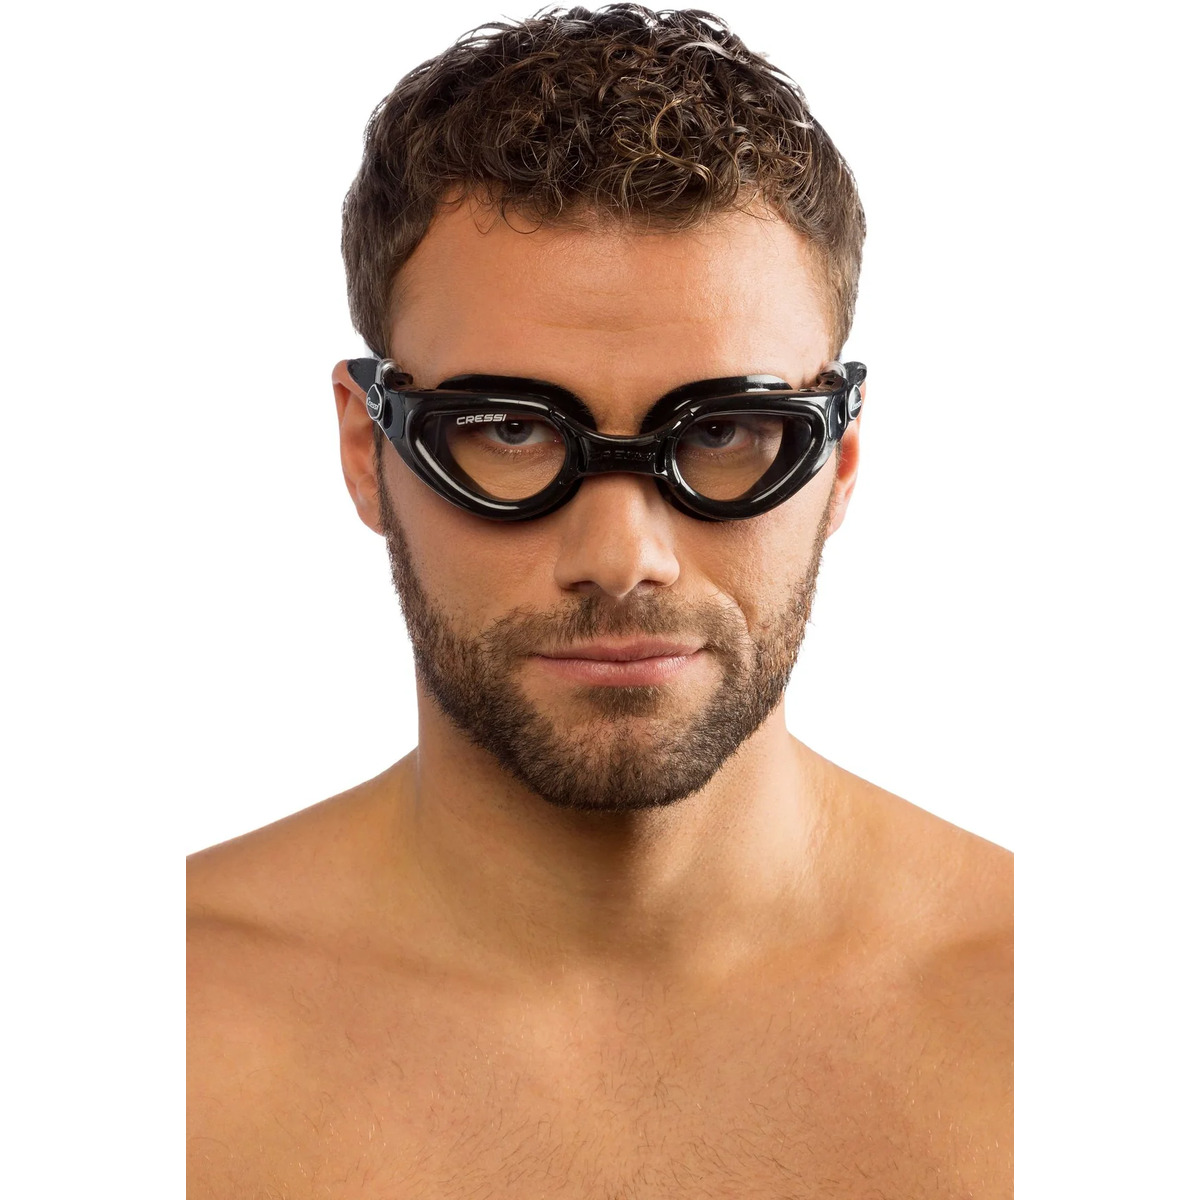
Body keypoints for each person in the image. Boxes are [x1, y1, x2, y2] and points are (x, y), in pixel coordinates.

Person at [187, 4, 1013, 1195]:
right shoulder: (151, 1030)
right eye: (510, 430)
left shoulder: (1065, 1020)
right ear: (368, 451)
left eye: (725, 432)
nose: (624, 557)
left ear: (837, 462)